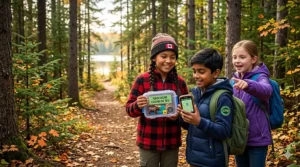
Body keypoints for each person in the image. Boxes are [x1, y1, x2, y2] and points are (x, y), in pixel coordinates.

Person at [125, 33, 189, 167]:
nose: (168, 60)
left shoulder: (180, 83)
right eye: (164, 56)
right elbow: (129, 110)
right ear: (154, 58)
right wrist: (138, 105)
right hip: (148, 141)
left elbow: (188, 113)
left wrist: (178, 116)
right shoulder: (142, 80)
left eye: (172, 57)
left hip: (171, 142)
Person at [178, 48, 234, 167]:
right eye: (194, 71)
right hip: (194, 158)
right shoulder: (196, 93)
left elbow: (224, 131)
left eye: (201, 71)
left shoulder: (223, 97)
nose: (196, 76)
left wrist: (199, 121)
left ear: (215, 73)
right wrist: (181, 117)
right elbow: (191, 127)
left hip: (213, 161)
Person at [231, 40, 272, 167]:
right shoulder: (233, 81)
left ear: (253, 59)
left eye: (242, 57)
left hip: (258, 138)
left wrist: (249, 85)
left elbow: (266, 90)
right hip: (239, 137)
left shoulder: (260, 77)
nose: (237, 60)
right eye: (234, 57)